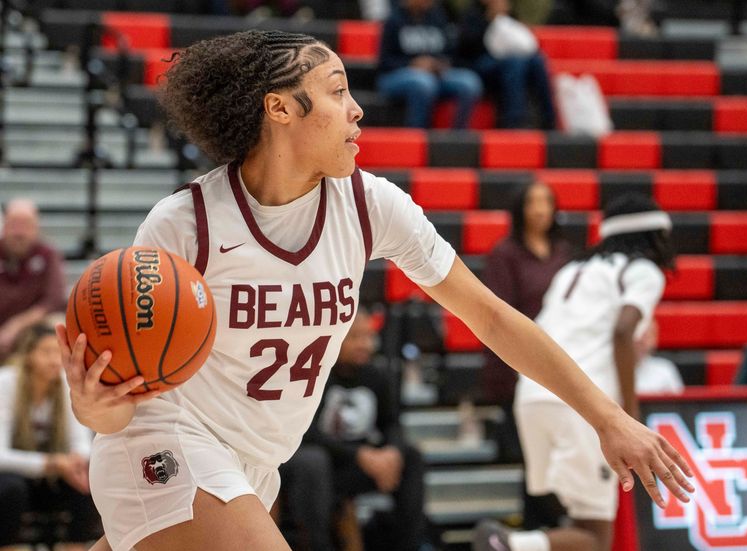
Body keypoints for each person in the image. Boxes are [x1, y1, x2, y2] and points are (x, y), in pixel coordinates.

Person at [56, 30, 692, 551]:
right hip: (168, 444)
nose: (357, 108)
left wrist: (609, 419)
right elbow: (125, 400)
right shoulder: (184, 223)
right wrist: (92, 408)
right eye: (337, 91)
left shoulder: (372, 208)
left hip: (254, 465)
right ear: (279, 107)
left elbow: (492, 319)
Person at [475, 194, 677, 551]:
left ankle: (516, 543)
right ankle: (506, 544)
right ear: (654, 236)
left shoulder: (572, 268)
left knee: (568, 519)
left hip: (534, 396)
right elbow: (622, 332)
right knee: (596, 537)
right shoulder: (642, 270)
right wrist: (629, 414)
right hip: (583, 404)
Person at [281, 308, 426, 551]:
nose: (365, 345)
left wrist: (391, 452)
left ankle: (406, 545)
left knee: (411, 457)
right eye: (356, 337)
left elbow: (391, 422)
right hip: (320, 463)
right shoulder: (314, 372)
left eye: (369, 337)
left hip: (356, 466)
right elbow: (307, 432)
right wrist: (360, 455)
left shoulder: (376, 375)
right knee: (313, 462)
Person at [481, 180, 571, 461]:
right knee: (531, 455)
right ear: (520, 209)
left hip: (564, 351)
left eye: (547, 201)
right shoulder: (504, 253)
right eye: (533, 202)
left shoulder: (564, 252)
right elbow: (497, 311)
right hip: (522, 358)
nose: (541, 209)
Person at [0, 323, 100, 551]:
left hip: (55, 476)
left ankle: (74, 546)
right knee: (10, 489)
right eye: (46, 352)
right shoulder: (6, 382)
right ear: (28, 355)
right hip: (16, 477)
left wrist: (74, 463)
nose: (55, 360)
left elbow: (81, 444)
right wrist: (52, 463)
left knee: (87, 482)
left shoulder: (65, 383)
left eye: (58, 352)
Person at [377, 0, 483, 128]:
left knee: (470, 82)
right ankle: (417, 134)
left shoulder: (438, 17)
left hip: (435, 74)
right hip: (396, 75)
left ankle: (458, 136)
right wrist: (412, 64)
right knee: (423, 83)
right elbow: (385, 62)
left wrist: (440, 63)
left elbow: (450, 52)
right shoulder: (394, 20)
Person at [457, 0, 556, 129]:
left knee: (537, 60)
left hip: (508, 59)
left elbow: (520, 40)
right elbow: (466, 46)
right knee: (514, 63)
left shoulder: (508, 13)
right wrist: (489, 20)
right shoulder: (473, 13)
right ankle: (514, 121)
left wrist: (505, 17)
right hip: (478, 62)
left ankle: (549, 119)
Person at [0, 199, 66, 362]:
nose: (19, 232)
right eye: (14, 224)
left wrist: (16, 326)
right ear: (4, 226)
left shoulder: (48, 254)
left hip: (31, 330)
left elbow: (54, 300)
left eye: (26, 225)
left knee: (57, 323)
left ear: (36, 228)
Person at [634, 321, 683, 395]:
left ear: (654, 339)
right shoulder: (611, 370)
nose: (640, 340)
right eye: (635, 335)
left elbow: (679, 404)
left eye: (646, 335)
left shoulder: (665, 369)